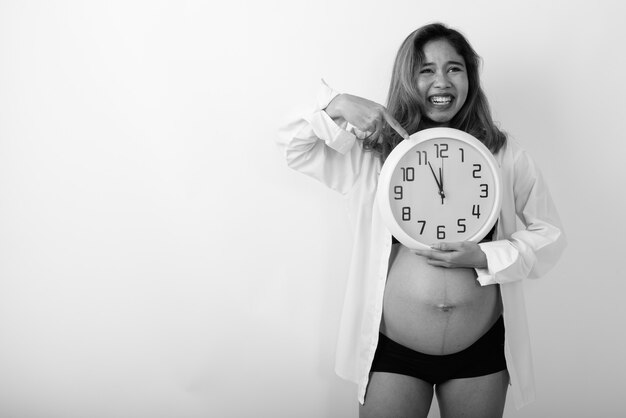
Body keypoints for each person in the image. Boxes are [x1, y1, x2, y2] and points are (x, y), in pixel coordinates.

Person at [277, 23, 565, 418]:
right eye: (425, 70)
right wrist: (337, 104)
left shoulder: (502, 153)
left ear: (470, 77)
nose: (441, 81)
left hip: (480, 354)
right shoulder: (374, 152)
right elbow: (293, 147)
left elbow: (550, 235)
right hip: (393, 353)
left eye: (454, 68)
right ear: (407, 79)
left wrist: (486, 257)